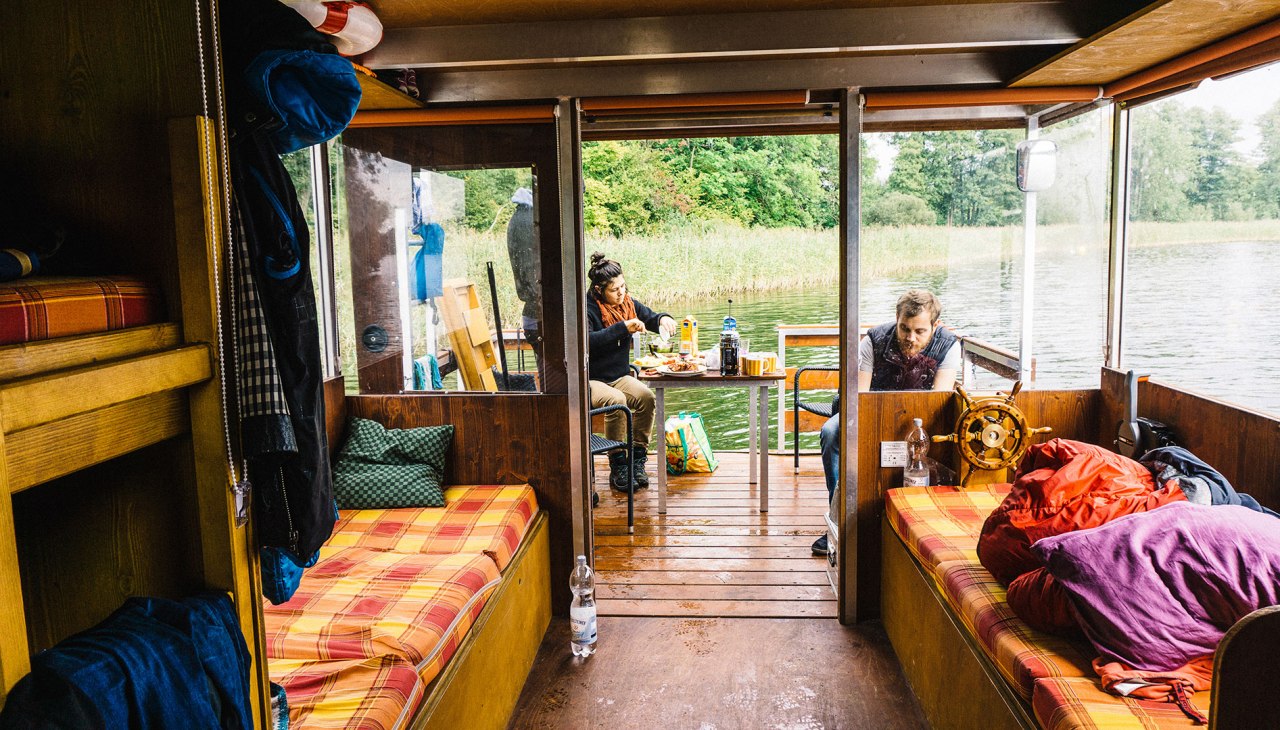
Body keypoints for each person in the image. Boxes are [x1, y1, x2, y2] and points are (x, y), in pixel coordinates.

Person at [812, 289, 960, 556]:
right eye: (904, 328)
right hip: (872, 410)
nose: (910, 338)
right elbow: (861, 396)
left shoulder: (948, 346)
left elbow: (939, 399)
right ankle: (838, 516)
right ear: (896, 318)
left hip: (921, 419)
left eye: (919, 331)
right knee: (832, 431)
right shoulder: (874, 340)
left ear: (935, 326)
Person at [586, 252, 678, 493]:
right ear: (598, 290)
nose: (621, 293)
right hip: (591, 379)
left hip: (620, 375)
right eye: (615, 290)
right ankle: (618, 464)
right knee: (616, 401)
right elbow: (587, 341)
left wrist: (664, 319)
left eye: (623, 286)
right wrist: (622, 328)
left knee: (646, 397)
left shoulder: (628, 304)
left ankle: (636, 459)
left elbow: (650, 317)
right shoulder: (588, 310)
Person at [505, 187, 543, 383]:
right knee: (551, 380)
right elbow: (530, 272)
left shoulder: (523, 217)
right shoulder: (526, 222)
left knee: (550, 377)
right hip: (539, 317)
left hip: (536, 315)